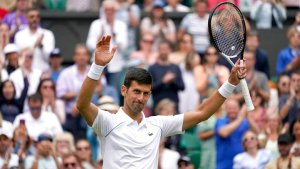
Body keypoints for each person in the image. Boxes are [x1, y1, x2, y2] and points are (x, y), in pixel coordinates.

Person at [76, 35, 247, 168]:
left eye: (145, 93)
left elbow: (202, 113)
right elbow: (82, 104)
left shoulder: (156, 125)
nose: (140, 98)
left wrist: (231, 82)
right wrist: (97, 66)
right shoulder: (108, 122)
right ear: (123, 90)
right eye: (136, 91)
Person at [215, 99, 259, 169]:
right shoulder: (220, 121)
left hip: (243, 164)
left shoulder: (244, 122)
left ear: (239, 109)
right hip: (224, 165)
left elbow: (257, 132)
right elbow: (224, 133)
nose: (232, 110)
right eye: (230, 108)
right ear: (225, 109)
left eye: (235, 108)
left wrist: (247, 116)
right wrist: (240, 117)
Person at [14, 7, 55, 71]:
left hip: (43, 71)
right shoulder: (19, 35)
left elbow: (50, 58)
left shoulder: (47, 34)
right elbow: (20, 55)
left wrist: (41, 46)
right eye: (32, 17)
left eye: (37, 17)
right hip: (25, 71)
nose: (35, 19)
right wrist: (35, 45)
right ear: (26, 18)